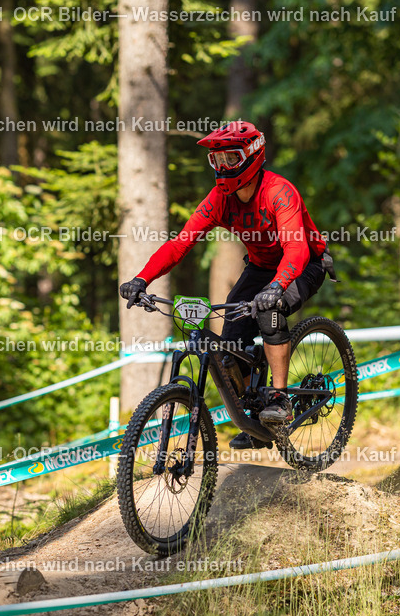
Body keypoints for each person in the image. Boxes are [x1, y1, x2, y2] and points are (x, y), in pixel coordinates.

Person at [119, 121, 330, 450]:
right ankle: (255, 415)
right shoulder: (220, 198)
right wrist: (142, 278)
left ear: (252, 156)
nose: (222, 167)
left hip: (305, 264)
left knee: (270, 309)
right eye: (216, 161)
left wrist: (278, 286)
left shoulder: (278, 191)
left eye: (230, 159)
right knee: (228, 346)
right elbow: (180, 244)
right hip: (261, 268)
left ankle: (278, 398)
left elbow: (296, 248)